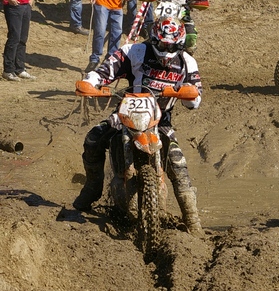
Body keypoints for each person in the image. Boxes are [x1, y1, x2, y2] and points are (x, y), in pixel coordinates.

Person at [73, 15, 203, 235]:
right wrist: (90, 82)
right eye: (162, 44)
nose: (166, 49)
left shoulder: (187, 62)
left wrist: (188, 94)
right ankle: (92, 188)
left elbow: (195, 99)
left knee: (178, 163)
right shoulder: (134, 51)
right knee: (93, 139)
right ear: (153, 39)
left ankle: (192, 220)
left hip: (160, 121)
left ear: (180, 44)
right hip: (125, 114)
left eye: (171, 46)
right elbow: (105, 70)